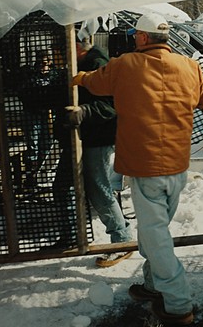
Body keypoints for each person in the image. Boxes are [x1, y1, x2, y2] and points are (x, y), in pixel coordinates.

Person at [73, 13, 203, 326]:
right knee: (156, 231)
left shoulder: (125, 65)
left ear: (143, 38)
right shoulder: (189, 65)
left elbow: (95, 83)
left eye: (137, 33)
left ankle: (178, 304)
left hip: (145, 166)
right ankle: (153, 286)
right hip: (177, 165)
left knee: (156, 236)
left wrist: (77, 78)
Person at [62, 35, 133, 267]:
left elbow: (111, 105)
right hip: (88, 135)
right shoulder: (82, 63)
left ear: (77, 45)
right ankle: (114, 233)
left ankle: (121, 240)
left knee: (99, 187)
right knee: (86, 186)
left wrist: (84, 111)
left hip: (98, 136)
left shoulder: (96, 64)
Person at [16, 48, 65, 191]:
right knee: (33, 143)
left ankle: (44, 175)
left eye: (46, 61)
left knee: (48, 143)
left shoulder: (55, 75)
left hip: (50, 113)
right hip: (33, 113)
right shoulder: (30, 75)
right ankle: (32, 176)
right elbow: (22, 91)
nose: (44, 65)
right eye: (41, 61)